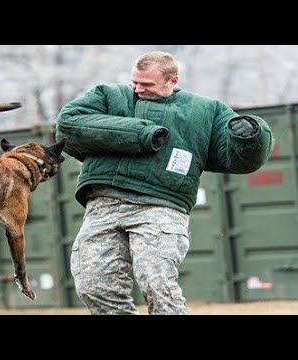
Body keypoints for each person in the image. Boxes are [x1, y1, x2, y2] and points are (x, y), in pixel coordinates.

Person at [55, 51, 274, 315]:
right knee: (94, 285)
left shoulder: (204, 110)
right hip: (103, 203)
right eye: (135, 82)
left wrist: (252, 136)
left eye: (146, 84)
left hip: (161, 207)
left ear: (172, 80)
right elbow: (69, 125)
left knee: (157, 283)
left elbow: (241, 161)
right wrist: (141, 133)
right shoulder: (108, 95)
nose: (137, 89)